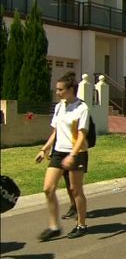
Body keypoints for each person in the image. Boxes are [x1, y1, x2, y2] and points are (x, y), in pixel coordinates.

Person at [35, 72, 90, 241]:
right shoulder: (59, 106)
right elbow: (56, 131)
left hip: (77, 152)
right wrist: (44, 149)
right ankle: (54, 226)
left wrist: (72, 155)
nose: (57, 92)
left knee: (75, 189)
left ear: (70, 90)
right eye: (57, 89)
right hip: (59, 151)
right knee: (48, 188)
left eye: (60, 90)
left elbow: (82, 135)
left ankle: (81, 224)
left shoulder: (82, 108)